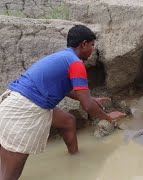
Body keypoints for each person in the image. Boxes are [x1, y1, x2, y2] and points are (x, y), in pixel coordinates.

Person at [0, 24, 126, 180]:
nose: (92, 50)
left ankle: (74, 157)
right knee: (9, 175)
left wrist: (91, 98)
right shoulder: (76, 63)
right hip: (24, 109)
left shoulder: (64, 58)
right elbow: (87, 106)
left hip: (18, 102)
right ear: (84, 44)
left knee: (67, 121)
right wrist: (108, 117)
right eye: (92, 46)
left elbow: (67, 89)